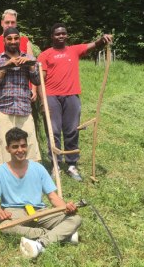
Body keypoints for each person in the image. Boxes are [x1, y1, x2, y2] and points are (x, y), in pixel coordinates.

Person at [0, 127, 81, 259]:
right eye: (15, 147)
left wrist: (65, 208)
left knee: (75, 219)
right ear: (7, 149)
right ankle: (57, 235)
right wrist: (0, 212)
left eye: (23, 146)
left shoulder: (38, 168)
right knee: (5, 227)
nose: (20, 150)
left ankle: (40, 243)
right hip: (15, 213)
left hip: (40, 212)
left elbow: (53, 196)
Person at [38, 24, 112, 181]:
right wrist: (42, 101)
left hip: (71, 96)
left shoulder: (74, 50)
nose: (61, 36)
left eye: (64, 33)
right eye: (57, 34)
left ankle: (72, 165)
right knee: (54, 131)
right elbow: (40, 80)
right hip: (52, 97)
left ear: (67, 35)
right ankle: (56, 165)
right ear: (52, 36)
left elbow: (94, 45)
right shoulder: (45, 55)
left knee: (72, 130)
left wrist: (102, 40)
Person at [0, 27, 41, 165]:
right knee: (5, 148)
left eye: (16, 38)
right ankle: (7, 177)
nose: (13, 41)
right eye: (9, 38)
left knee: (28, 146)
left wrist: (30, 67)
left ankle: (29, 177)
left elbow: (37, 81)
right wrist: (6, 67)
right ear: (4, 40)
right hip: (5, 110)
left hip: (24, 109)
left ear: (20, 40)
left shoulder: (29, 58)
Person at [0, 9, 35, 104]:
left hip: (23, 93)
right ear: (2, 23)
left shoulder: (25, 41)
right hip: (0, 92)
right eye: (7, 22)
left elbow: (32, 65)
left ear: (16, 23)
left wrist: (34, 89)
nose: (10, 25)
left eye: (13, 22)